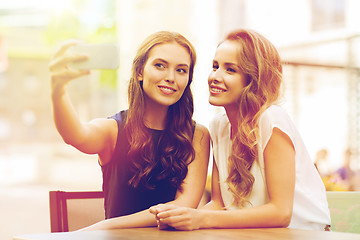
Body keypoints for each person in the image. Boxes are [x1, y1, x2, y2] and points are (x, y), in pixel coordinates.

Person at [150, 29, 331, 231]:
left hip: (303, 234)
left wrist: (200, 219)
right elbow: (219, 205)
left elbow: (281, 213)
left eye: (230, 70)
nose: (215, 77)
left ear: (252, 80)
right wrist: (183, 216)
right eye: (215, 66)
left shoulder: (271, 119)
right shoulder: (218, 127)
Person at [49, 31, 210, 230]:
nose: (170, 77)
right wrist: (58, 90)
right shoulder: (113, 130)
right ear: (140, 72)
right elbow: (74, 135)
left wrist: (103, 227)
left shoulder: (197, 135)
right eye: (160, 65)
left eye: (181, 70)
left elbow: (184, 205)